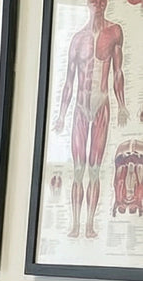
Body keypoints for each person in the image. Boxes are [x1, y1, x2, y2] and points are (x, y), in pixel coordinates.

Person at [50, 0, 128, 238]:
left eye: (102, 0)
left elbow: (118, 72)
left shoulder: (114, 32)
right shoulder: (77, 39)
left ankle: (90, 224)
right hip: (80, 108)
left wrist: (122, 105)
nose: (99, 4)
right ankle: (75, 224)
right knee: (78, 169)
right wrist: (61, 115)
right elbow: (68, 82)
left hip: (101, 105)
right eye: (94, 0)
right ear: (88, 4)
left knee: (94, 169)